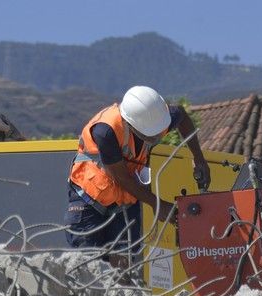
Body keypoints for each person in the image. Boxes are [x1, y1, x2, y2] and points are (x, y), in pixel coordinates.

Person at [65, 85, 210, 273]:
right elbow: (121, 178)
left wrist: (198, 158)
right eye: (153, 134)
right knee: (87, 269)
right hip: (88, 201)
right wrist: (158, 205)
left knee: (124, 271)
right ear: (132, 124)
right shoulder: (106, 131)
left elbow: (181, 116)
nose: (159, 135)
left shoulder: (154, 119)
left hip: (124, 203)